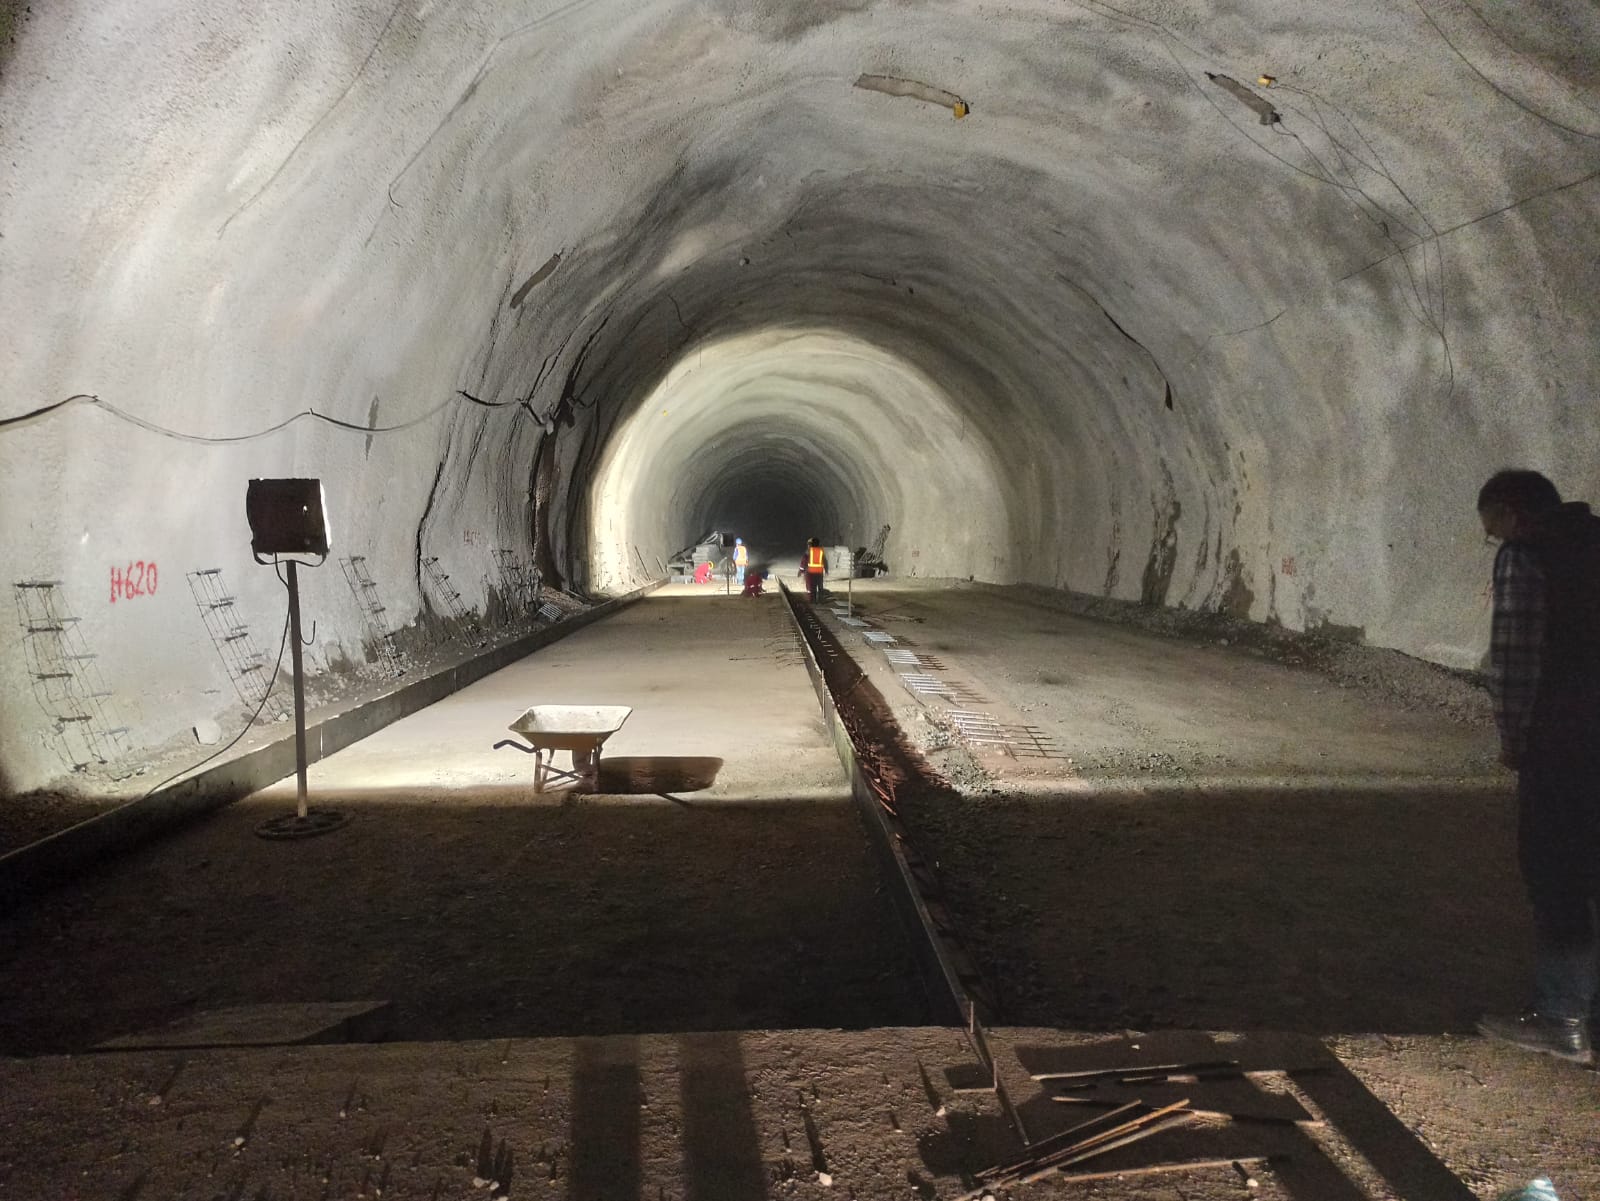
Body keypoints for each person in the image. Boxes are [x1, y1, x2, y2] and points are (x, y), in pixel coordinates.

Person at [1475, 469, 1600, 1065]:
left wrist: (1514, 739)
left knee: (1559, 874)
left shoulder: (1525, 557)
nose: (1493, 540)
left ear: (1510, 513)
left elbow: (1515, 658)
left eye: (1490, 528)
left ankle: (1561, 1019)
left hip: (1565, 743)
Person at [804, 537, 827, 602]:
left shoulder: (809, 551)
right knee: (820, 587)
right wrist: (826, 569)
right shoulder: (821, 550)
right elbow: (824, 560)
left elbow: (805, 560)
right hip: (819, 572)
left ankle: (813, 600)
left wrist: (803, 570)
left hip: (811, 572)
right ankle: (820, 600)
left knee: (813, 587)